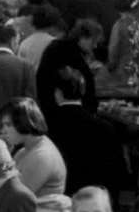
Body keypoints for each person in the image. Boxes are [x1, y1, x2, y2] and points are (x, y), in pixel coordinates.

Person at [46, 68, 128, 199]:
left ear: (58, 93)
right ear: (83, 91)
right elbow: (119, 171)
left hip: (61, 198)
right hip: (97, 198)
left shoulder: (48, 126)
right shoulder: (105, 127)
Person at [0, 97, 67, 197]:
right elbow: (2, 181)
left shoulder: (41, 156)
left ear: (23, 122)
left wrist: (1, 154)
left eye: (8, 125)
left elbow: (12, 197)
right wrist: (5, 153)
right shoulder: (24, 150)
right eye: (3, 125)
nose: (3, 131)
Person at [34, 17, 102, 112]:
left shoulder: (62, 48)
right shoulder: (67, 51)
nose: (95, 46)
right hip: (62, 110)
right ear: (83, 37)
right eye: (94, 42)